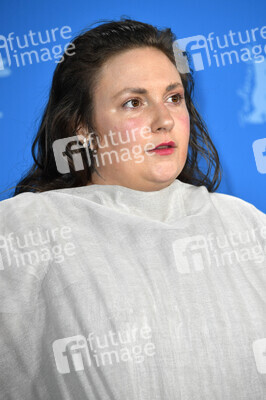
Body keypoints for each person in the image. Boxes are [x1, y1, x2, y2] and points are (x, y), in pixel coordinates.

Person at [0, 17, 265, 400]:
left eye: (174, 98)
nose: (164, 121)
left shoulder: (248, 226)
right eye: (133, 103)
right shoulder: (24, 231)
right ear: (82, 128)